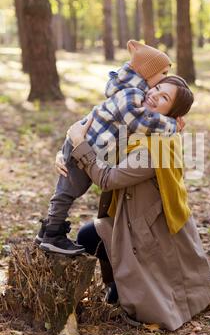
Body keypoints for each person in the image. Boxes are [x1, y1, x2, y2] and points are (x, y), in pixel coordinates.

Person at [56, 75, 210, 331]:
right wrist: (65, 153)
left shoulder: (156, 149)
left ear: (170, 113)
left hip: (151, 231)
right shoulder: (137, 127)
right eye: (157, 88)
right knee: (89, 235)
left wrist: (79, 145)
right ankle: (118, 286)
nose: (154, 94)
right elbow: (97, 136)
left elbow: (106, 177)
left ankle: (124, 288)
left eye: (164, 98)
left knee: (88, 236)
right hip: (133, 219)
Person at [36, 40, 183, 255]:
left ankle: (48, 230)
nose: (162, 80)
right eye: (161, 76)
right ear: (147, 73)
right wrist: (172, 125)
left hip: (88, 148)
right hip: (85, 148)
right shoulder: (132, 95)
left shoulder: (134, 96)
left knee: (69, 191)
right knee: (68, 192)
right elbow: (139, 122)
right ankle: (51, 234)